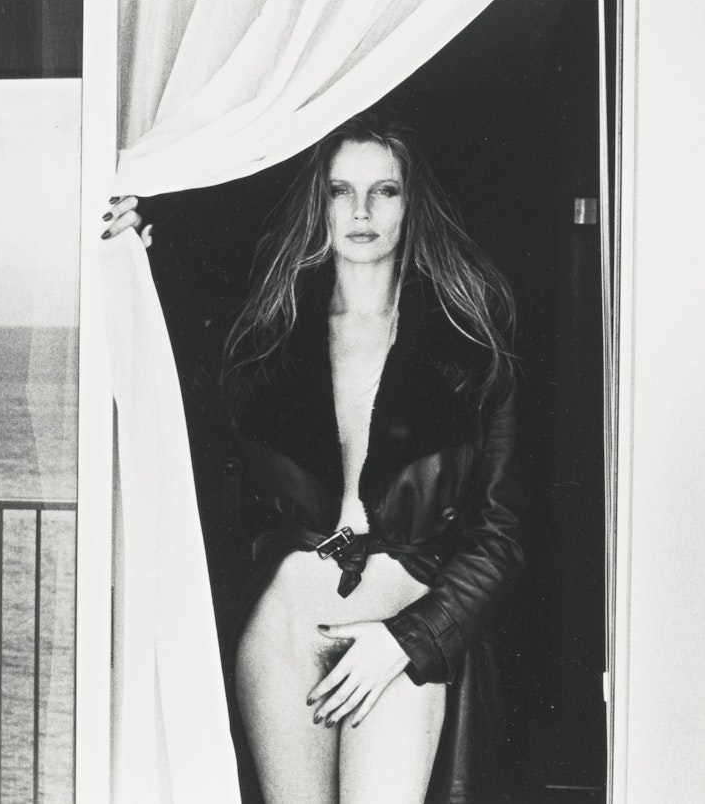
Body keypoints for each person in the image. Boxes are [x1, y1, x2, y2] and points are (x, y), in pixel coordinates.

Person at [102, 109, 526, 804]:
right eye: (340, 190)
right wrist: (136, 255)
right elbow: (175, 399)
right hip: (284, 629)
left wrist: (412, 638)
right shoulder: (267, 335)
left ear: (412, 203)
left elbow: (503, 534)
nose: (360, 211)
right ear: (318, 204)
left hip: (397, 637)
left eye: (384, 190)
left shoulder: (471, 341)